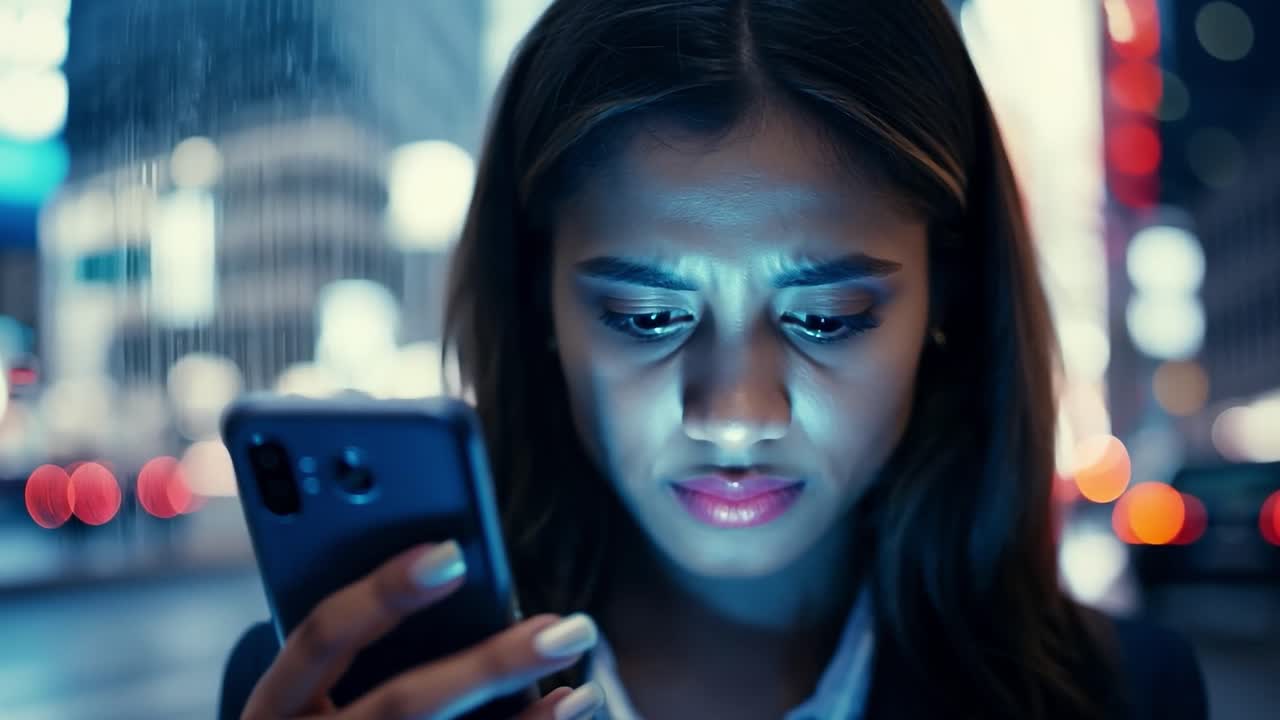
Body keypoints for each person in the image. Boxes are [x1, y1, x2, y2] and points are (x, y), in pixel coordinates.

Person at [221, 1, 1209, 718]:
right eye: (646, 317)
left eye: (825, 318)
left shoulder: (1119, 695)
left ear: (944, 299)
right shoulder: (335, 691)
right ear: (542, 306)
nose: (733, 411)